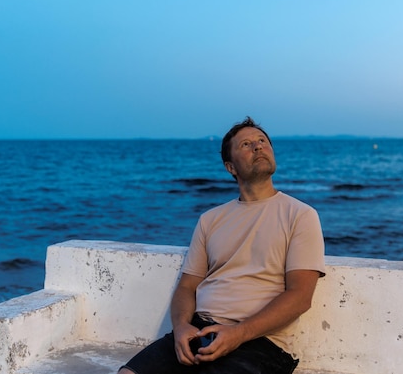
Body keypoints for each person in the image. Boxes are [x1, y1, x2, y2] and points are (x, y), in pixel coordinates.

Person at [119, 117, 325, 374]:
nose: (258, 147)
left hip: (261, 342)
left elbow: (300, 297)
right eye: (246, 144)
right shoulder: (211, 219)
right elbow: (187, 286)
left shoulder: (300, 215)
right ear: (231, 167)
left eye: (262, 141)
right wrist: (182, 326)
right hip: (200, 330)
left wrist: (238, 333)